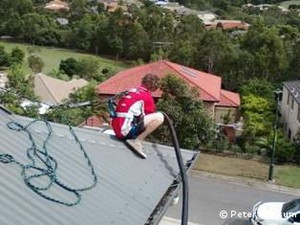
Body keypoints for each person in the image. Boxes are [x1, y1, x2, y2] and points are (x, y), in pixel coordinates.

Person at [111, 74, 164, 159]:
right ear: (154, 86)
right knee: (160, 117)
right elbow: (148, 117)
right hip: (125, 131)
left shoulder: (130, 91)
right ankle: (137, 141)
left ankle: (135, 138)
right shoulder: (147, 97)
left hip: (116, 129)